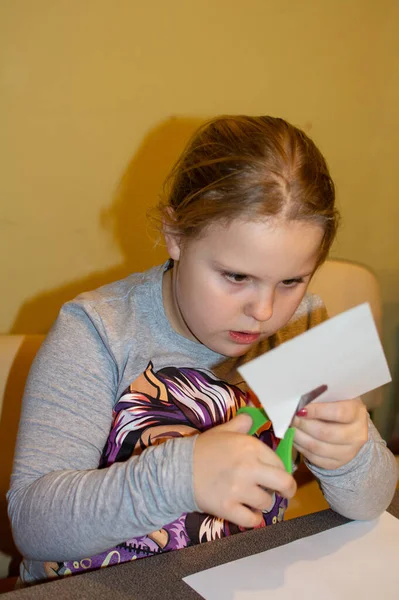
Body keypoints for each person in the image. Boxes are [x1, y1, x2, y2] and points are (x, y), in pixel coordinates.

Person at [7, 116, 398, 584]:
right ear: (175, 235)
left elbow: (371, 499)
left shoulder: (302, 327)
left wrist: (351, 453)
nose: (264, 310)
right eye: (236, 277)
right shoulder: (97, 333)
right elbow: (34, 526)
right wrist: (179, 477)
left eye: (292, 280)